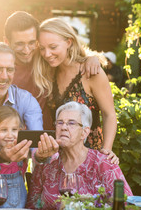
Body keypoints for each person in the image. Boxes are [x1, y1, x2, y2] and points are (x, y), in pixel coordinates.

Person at [33, 17, 118, 158]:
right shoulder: (47, 73)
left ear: (68, 42)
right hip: (58, 160)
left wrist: (106, 152)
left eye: (53, 47)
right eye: (42, 48)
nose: (47, 54)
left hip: (89, 159)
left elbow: (109, 114)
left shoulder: (90, 73)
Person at [3, 11, 101, 130]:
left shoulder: (44, 60)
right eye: (19, 44)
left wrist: (90, 59)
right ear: (7, 42)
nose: (26, 50)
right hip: (14, 140)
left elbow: (67, 57)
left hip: (49, 140)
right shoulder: (2, 71)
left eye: (32, 42)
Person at [26, 101, 132, 209]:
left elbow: (127, 203)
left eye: (71, 123)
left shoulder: (103, 163)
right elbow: (31, 205)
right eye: (60, 122)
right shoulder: (47, 161)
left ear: (84, 132)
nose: (64, 127)